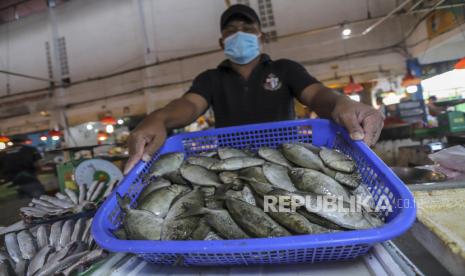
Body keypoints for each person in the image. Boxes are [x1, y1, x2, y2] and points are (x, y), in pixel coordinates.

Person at [124, 4, 384, 174]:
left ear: (261, 36)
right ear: (221, 41)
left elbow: (316, 94)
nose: (240, 34)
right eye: (231, 30)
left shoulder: (285, 69)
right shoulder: (211, 78)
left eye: (248, 29)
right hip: (231, 166)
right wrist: (159, 118)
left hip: (287, 161)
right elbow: (189, 105)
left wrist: (343, 103)